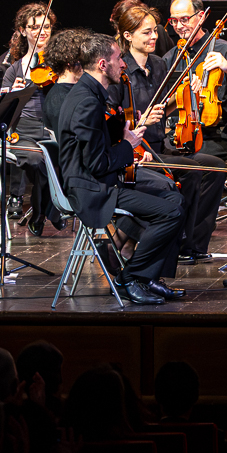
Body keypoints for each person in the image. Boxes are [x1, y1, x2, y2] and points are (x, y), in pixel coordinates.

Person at [57, 33, 185, 305]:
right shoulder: (86, 102)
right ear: (103, 64)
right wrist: (128, 145)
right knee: (171, 212)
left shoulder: (91, 94)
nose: (124, 64)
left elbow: (97, 141)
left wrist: (119, 129)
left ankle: (148, 277)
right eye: (119, 59)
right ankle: (129, 278)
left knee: (174, 197)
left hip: (102, 180)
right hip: (92, 189)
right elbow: (96, 163)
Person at [113, 3, 227, 264]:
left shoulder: (157, 64)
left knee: (215, 166)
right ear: (128, 36)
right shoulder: (120, 70)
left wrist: (187, 93)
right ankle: (172, 242)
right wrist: (142, 119)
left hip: (159, 145)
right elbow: (116, 119)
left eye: (155, 31)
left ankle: (193, 243)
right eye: (146, 33)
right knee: (190, 170)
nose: (154, 37)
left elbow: (165, 107)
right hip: (137, 151)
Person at [0, 2, 61, 235]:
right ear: (23, 31)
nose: (42, 31)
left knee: (65, 159)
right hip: (23, 131)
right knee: (38, 161)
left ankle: (43, 212)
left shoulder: (59, 65)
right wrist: (13, 94)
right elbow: (1, 108)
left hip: (52, 128)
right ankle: (45, 212)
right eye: (34, 27)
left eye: (46, 26)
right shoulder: (14, 70)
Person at [164, 0, 227, 162]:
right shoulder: (170, 59)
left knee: (195, 161)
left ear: (201, 17)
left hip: (219, 136)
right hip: (180, 133)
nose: (179, 26)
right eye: (174, 20)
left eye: (184, 19)